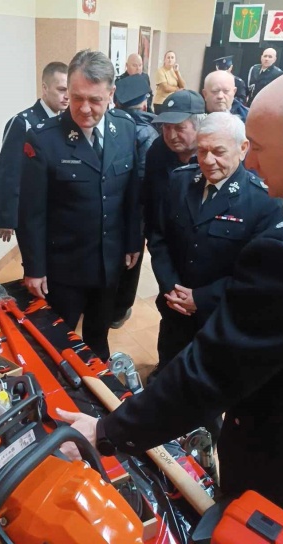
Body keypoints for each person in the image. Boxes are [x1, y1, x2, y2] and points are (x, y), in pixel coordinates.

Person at [57, 66, 283, 518]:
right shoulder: (179, 180)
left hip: (280, 466)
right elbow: (162, 234)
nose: (250, 162)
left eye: (258, 148)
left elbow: (213, 372)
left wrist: (106, 432)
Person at [18, 50, 141, 361]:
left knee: (98, 337)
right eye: (76, 98)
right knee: (58, 343)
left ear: (111, 94)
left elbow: (131, 195)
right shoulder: (44, 139)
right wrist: (34, 268)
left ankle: (99, 387)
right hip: (65, 267)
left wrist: (131, 242)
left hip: (109, 262)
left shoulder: (125, 129)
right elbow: (31, 211)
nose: (84, 108)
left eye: (95, 100)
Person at [149, 111, 283, 378]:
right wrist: (171, 287)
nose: (208, 161)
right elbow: (159, 237)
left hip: (219, 314)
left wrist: (200, 298)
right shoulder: (180, 180)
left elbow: (256, 272)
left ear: (242, 148)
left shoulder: (264, 201)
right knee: (168, 367)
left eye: (218, 152)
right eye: (202, 151)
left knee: (207, 379)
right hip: (174, 307)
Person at [0, 61, 68, 243]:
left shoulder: (65, 123)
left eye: (69, 90)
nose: (67, 96)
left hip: (59, 211)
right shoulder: (23, 123)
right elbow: (8, 172)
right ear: (45, 88)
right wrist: (6, 217)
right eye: (61, 89)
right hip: (31, 212)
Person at [110, 74, 158, 328]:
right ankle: (119, 310)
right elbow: (145, 178)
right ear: (144, 103)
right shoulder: (148, 132)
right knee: (131, 259)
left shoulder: (110, 125)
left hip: (109, 206)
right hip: (135, 209)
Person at [142, 89, 204, 239]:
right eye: (166, 127)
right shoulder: (157, 151)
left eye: (179, 128)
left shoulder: (213, 156)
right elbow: (150, 200)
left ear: (200, 126)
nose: (171, 136)